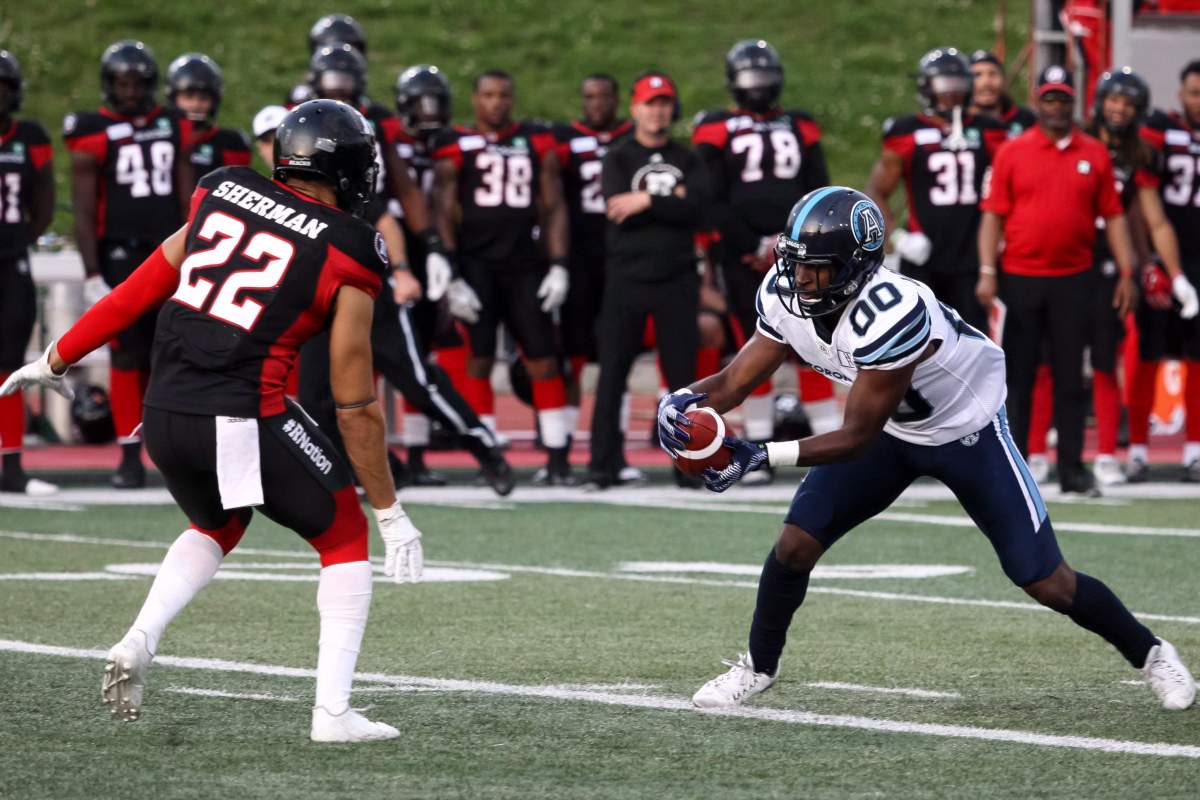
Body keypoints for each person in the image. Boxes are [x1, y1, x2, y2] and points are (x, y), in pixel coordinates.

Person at [656, 186, 1195, 712]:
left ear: (856, 267)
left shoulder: (893, 311)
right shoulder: (786, 290)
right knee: (795, 544)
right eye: (794, 262)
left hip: (966, 430)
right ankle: (757, 667)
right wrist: (680, 401)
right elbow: (733, 381)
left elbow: (856, 436)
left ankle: (1151, 653)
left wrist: (759, 455)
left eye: (814, 267)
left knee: (1044, 578)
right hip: (895, 432)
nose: (798, 277)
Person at [1, 100, 424, 742]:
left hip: (163, 411)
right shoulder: (350, 248)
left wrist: (56, 357)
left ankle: (141, 638)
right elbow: (356, 401)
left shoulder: (222, 189)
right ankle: (333, 713)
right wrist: (391, 511)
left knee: (218, 521)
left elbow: (140, 287)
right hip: (235, 415)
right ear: (345, 168)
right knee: (343, 535)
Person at [1029, 68, 1198, 486]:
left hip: (1108, 268)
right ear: (1100, 102)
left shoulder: (1138, 156)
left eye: (1128, 102)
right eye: (1113, 99)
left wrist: (1171, 273)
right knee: (1048, 362)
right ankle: (1034, 451)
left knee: (1105, 360)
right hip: (1063, 263)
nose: (1119, 108)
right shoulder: (1077, 142)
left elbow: (1152, 220)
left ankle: (1106, 452)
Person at [977, 66, 1138, 495]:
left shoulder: (1095, 153)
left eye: (1063, 99)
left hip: (1074, 278)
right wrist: (987, 271)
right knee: (1021, 378)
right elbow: (993, 215)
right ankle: (1015, 466)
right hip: (1020, 277)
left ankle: (1071, 468)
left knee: (1070, 377)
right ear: (1038, 103)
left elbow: (1115, 217)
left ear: (1073, 103)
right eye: (1048, 99)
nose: (1056, 107)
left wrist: (1127, 271)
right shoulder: (1013, 150)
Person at [693, 40, 837, 472]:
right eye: (750, 78)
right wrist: (750, 244)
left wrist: (795, 241)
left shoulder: (801, 125)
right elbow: (710, 197)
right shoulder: (716, 127)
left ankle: (827, 447)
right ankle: (755, 450)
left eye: (764, 77)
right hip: (743, 258)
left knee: (816, 345)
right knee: (751, 346)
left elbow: (819, 189)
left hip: (800, 253)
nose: (758, 86)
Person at [64, 40, 195, 489]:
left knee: (176, 348)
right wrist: (92, 272)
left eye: (138, 82)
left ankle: (178, 450)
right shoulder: (91, 130)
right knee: (125, 355)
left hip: (170, 247)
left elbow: (186, 192)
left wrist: (197, 243)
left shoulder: (172, 123)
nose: (131, 91)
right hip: (120, 252)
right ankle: (127, 455)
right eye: (122, 82)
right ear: (108, 85)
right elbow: (84, 208)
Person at [431, 69, 573, 484]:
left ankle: (558, 458)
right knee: (479, 358)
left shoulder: (535, 140)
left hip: (524, 262)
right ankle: (488, 454)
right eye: (489, 95)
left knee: (543, 358)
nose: (497, 103)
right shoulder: (455, 144)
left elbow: (554, 206)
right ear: (475, 99)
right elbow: (443, 209)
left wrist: (559, 264)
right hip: (476, 263)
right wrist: (450, 269)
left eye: (504, 95)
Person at [585, 71, 708, 489]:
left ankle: (688, 465)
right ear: (635, 108)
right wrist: (669, 202)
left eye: (664, 103)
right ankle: (602, 464)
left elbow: (698, 207)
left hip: (676, 278)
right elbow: (617, 205)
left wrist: (648, 201)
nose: (657, 111)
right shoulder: (618, 157)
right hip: (626, 278)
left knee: (682, 381)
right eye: (650, 103)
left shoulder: (689, 158)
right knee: (612, 374)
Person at [866, 47, 1008, 334]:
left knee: (973, 342)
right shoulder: (906, 132)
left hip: (973, 258)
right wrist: (896, 236)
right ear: (926, 87)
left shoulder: (989, 130)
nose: (952, 93)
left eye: (959, 85)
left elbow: (1010, 185)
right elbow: (876, 191)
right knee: (919, 343)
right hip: (924, 258)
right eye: (944, 85)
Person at [552, 74, 640, 476]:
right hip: (581, 256)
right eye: (590, 97)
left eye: (604, 96)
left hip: (622, 256)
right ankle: (561, 451)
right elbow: (551, 199)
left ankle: (613, 446)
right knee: (572, 354)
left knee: (615, 356)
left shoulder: (632, 139)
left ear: (617, 99)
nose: (597, 104)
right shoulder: (565, 140)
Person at [1132, 59, 1200, 481]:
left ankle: (1193, 449)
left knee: (1197, 357)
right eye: (1194, 92)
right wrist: (1151, 262)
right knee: (1149, 354)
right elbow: (1142, 196)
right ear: (1180, 94)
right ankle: (1138, 449)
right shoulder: (1160, 128)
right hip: (1163, 257)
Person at [0, 50, 56, 496]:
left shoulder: (31, 136)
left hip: (10, 259)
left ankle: (12, 465)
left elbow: (44, 204)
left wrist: (17, 238)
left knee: (12, 363)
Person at [167, 53, 251, 181]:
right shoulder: (161, 137)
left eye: (203, 98)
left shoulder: (230, 143)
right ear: (174, 98)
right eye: (188, 96)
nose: (196, 104)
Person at [969, 50, 1037, 137]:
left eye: (993, 74)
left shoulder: (1026, 119)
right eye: (977, 75)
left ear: (1003, 80)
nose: (986, 82)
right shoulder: (958, 124)